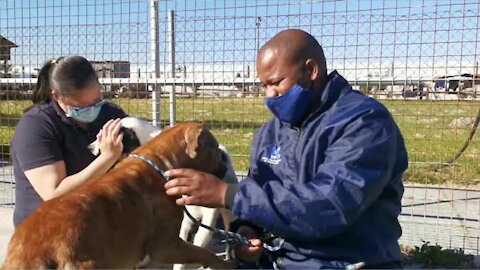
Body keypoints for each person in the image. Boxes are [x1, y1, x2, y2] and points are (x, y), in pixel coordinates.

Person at [164, 29, 408, 269]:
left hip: (347, 262)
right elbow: (258, 194)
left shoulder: (363, 123)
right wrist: (246, 233)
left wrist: (229, 195)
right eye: (264, 86)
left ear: (310, 70)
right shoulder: (270, 133)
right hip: (280, 261)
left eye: (276, 83)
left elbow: (328, 207)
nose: (269, 95)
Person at [10, 56, 126, 228]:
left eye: (96, 102)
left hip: (94, 224)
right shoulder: (35, 126)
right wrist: (107, 158)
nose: (92, 110)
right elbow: (54, 195)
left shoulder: (109, 114)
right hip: (45, 231)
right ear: (57, 96)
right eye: (82, 107)